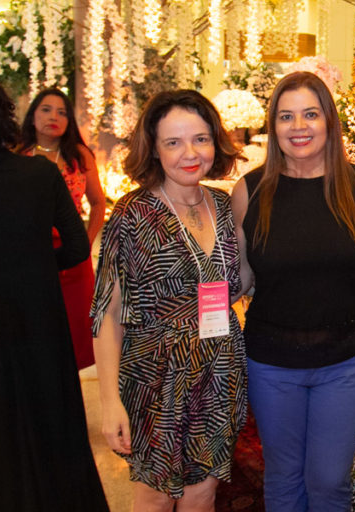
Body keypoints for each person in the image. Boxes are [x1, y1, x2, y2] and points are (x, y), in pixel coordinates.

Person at [231, 71, 355, 511]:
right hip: (272, 362)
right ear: (273, 125)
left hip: (345, 362)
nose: (298, 126)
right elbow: (240, 279)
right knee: (283, 478)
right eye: (286, 116)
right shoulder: (250, 189)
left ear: (329, 122)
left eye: (310, 114)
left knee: (328, 481)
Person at [91, 90, 247, 511]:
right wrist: (109, 402)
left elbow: (244, 281)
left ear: (215, 141)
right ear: (155, 150)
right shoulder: (132, 213)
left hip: (219, 372)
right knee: (155, 499)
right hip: (155, 376)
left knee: (203, 496)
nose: (190, 153)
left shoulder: (224, 204)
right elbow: (106, 314)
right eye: (173, 142)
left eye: (200, 139)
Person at [0, 80, 109, 511]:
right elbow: (77, 247)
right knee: (48, 415)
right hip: (37, 313)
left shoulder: (68, 160)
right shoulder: (39, 173)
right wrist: (38, 269)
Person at [20, 88, 106, 370]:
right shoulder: (18, 154)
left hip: (73, 254)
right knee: (34, 330)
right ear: (32, 116)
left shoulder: (79, 155)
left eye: (62, 112)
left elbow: (97, 202)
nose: (53, 117)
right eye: (46, 109)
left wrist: (86, 241)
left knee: (75, 331)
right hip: (29, 256)